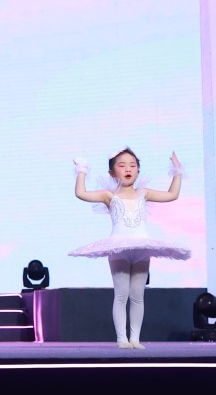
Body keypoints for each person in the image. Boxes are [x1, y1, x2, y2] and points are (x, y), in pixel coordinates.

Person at [71, 148, 189, 348]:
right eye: (122, 165)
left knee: (137, 295)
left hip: (141, 248)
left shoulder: (144, 193)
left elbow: (172, 195)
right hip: (119, 249)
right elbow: (81, 193)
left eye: (133, 165)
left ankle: (135, 338)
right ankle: (121, 339)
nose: (128, 169)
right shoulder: (109, 195)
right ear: (112, 173)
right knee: (121, 294)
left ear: (138, 171)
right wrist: (82, 170)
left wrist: (177, 171)